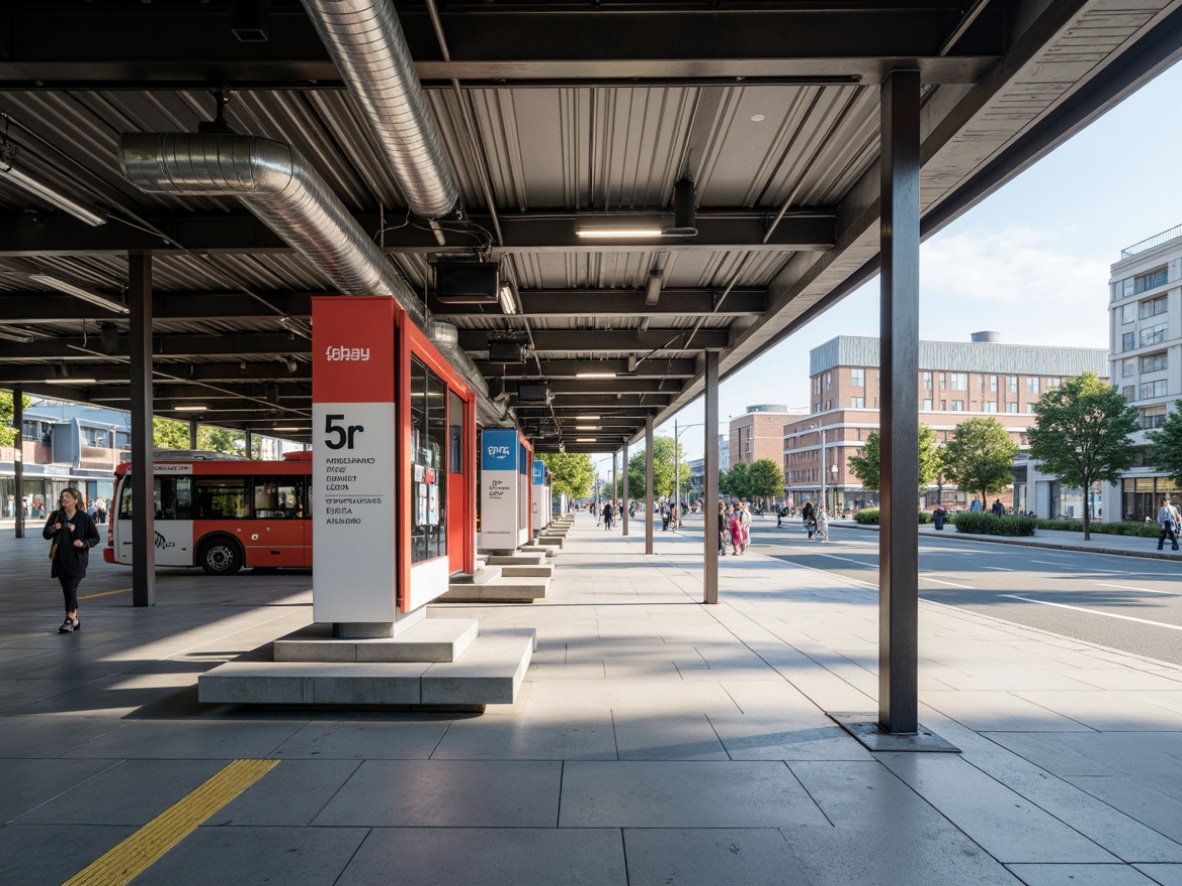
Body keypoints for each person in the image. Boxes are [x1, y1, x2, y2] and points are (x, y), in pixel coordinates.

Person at [43, 487, 100, 633]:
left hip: (77, 560)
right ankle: (75, 618)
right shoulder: (56, 515)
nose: (64, 499)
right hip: (60, 559)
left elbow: (95, 537)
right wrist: (54, 528)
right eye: (62, 496)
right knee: (67, 590)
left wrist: (84, 543)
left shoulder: (84, 518)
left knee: (70, 588)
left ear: (75, 500)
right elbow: (46, 534)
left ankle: (69, 619)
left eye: (67, 497)